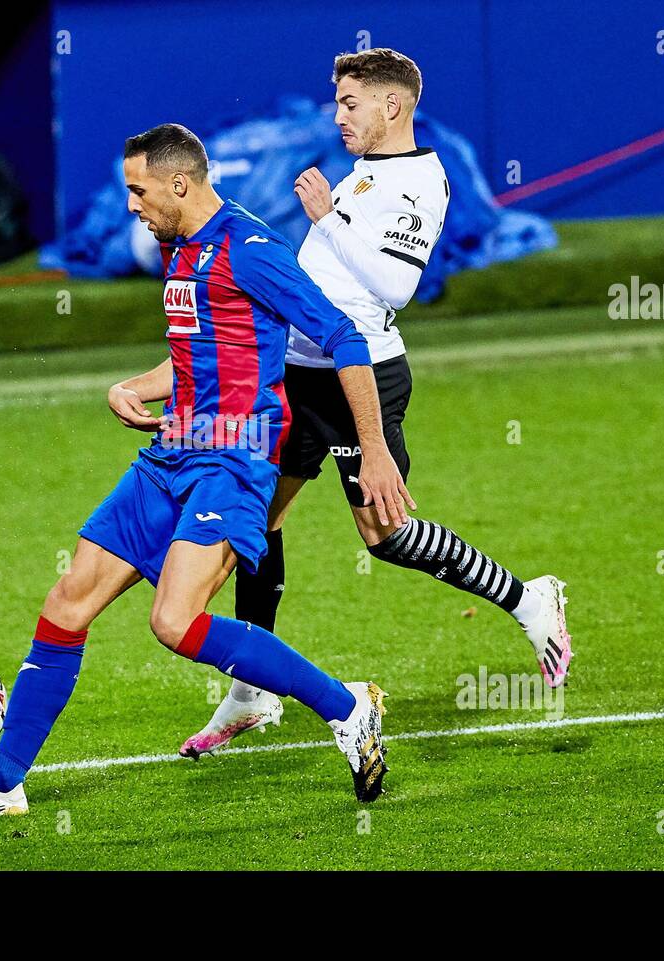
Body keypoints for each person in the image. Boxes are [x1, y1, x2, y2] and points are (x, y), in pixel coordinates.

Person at [0, 122, 416, 820]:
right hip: (171, 452)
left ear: (181, 183)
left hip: (234, 459)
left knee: (175, 622)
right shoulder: (181, 248)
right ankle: (1, 787)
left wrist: (376, 448)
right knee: (67, 603)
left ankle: (347, 705)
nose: (130, 205)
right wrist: (139, 386)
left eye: (138, 189)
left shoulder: (251, 249)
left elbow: (342, 337)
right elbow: (198, 354)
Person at [181, 49, 573, 759]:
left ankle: (528, 597)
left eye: (350, 102)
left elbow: (392, 289)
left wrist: (326, 219)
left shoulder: (421, 181)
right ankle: (250, 689)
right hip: (300, 373)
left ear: (392, 106)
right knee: (254, 518)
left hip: (357, 378)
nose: (338, 115)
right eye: (337, 101)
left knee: (384, 536)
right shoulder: (369, 170)